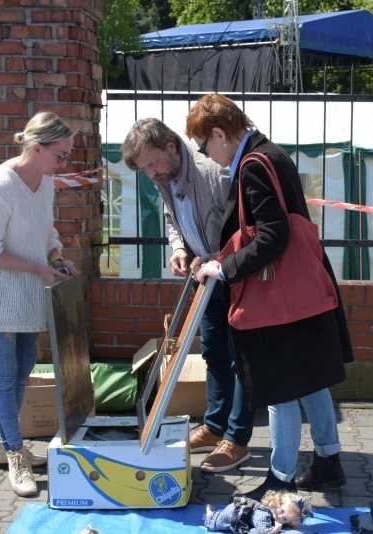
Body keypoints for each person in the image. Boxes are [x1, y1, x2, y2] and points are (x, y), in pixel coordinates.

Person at [186, 93, 354, 499]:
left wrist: (224, 268)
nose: (207, 156)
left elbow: (272, 236)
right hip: (300, 290)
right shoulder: (270, 153)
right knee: (310, 378)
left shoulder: (253, 165)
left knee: (280, 391)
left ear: (220, 134)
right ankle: (328, 461)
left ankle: (280, 480)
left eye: (203, 146)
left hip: (277, 296)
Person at [122, 118, 257, 473]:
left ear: (171, 147)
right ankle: (215, 427)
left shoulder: (213, 171)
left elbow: (244, 229)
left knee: (242, 359)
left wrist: (221, 262)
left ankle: (237, 439)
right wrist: (179, 247)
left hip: (234, 276)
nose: (151, 173)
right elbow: (172, 218)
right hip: (204, 277)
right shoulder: (164, 175)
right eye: (144, 169)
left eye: (153, 164)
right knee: (213, 352)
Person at [0, 111, 79, 497]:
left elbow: (47, 232)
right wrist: (37, 268)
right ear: (36, 147)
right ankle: (15, 455)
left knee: (24, 369)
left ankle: (3, 444)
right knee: (4, 374)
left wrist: (56, 258)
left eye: (67, 156)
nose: (64, 163)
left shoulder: (45, 182)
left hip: (27, 293)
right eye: (60, 155)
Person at [204, 490, 312, 534]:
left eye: (285, 519)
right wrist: (276, 529)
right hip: (233, 515)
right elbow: (264, 532)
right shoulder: (263, 515)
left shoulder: (272, 514)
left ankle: (213, 512)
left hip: (243, 513)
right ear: (278, 502)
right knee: (215, 523)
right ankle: (210, 513)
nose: (280, 516)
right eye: (282, 511)